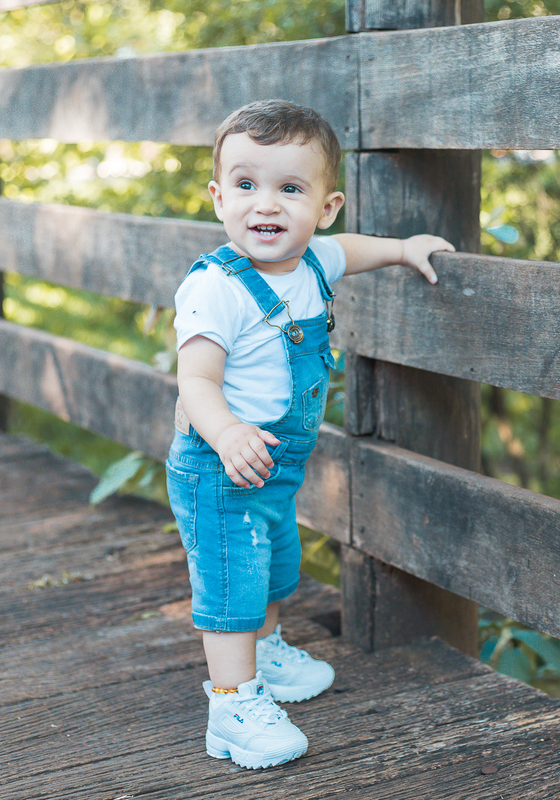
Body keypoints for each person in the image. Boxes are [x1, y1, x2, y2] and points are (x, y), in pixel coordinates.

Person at [166, 99, 454, 770]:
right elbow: (196, 380)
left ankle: (263, 655)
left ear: (325, 208)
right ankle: (232, 707)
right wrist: (227, 432)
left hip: (273, 465)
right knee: (233, 581)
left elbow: (350, 250)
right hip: (220, 464)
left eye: (289, 188)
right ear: (218, 198)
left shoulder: (313, 263)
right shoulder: (216, 289)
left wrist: (402, 250)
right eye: (246, 184)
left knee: (273, 562)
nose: (265, 204)